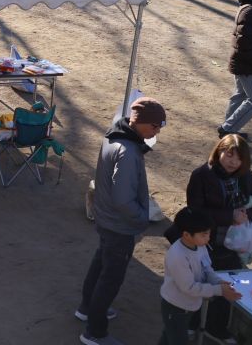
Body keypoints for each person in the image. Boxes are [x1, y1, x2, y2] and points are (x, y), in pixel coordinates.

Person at [77, 97, 166, 345]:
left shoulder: (115, 136)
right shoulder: (128, 153)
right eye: (155, 126)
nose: (157, 132)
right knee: (111, 279)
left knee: (100, 264)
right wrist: (141, 218)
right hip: (119, 225)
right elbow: (123, 199)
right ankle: (95, 332)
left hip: (106, 219)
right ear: (140, 122)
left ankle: (86, 307)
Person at [184, 134, 252, 339]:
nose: (233, 162)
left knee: (228, 286)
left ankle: (215, 327)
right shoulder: (201, 176)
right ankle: (191, 324)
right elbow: (195, 211)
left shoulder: (247, 177)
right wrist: (229, 216)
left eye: (239, 158)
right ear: (219, 152)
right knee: (200, 284)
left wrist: (245, 215)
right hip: (207, 242)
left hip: (234, 245)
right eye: (229, 155)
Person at [159, 207, 240, 345]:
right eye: (204, 234)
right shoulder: (178, 256)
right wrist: (219, 290)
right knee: (178, 340)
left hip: (188, 305)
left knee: (168, 337)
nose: (208, 238)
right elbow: (189, 288)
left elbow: (207, 269)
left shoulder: (200, 246)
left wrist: (218, 282)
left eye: (208, 233)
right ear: (186, 235)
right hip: (176, 307)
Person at [218, 0, 252, 140]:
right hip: (248, 66)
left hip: (241, 63)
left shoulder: (247, 9)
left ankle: (228, 127)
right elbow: (245, 43)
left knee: (240, 95)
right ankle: (228, 128)